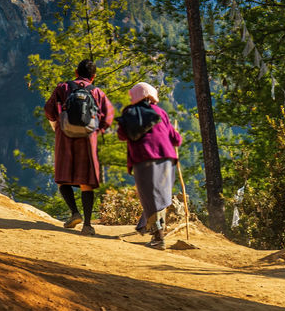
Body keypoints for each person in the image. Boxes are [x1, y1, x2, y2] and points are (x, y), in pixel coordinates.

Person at [44, 59, 115, 235]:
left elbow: (48, 109)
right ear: (94, 76)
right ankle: (88, 225)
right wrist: (96, 131)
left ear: (76, 72)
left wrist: (57, 125)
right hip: (87, 139)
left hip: (65, 136)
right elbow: (108, 117)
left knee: (63, 176)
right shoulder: (97, 92)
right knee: (86, 181)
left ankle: (74, 213)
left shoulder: (63, 88)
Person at [117, 81, 182, 249]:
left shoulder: (130, 112)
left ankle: (158, 237)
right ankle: (157, 231)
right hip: (167, 159)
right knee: (161, 196)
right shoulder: (161, 112)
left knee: (150, 198)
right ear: (152, 96)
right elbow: (177, 139)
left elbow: (122, 135)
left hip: (143, 159)